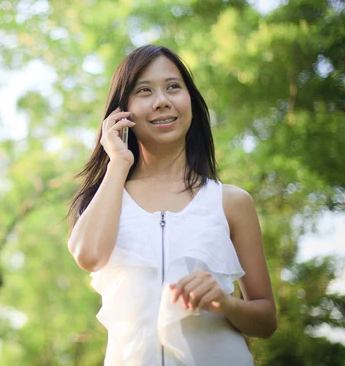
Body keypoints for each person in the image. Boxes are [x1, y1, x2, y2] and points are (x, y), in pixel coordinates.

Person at [66, 45, 277, 365]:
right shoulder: (105, 200)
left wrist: (226, 303)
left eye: (173, 87)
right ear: (122, 112)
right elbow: (88, 255)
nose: (162, 100)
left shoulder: (231, 202)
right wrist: (118, 164)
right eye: (144, 90)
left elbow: (266, 320)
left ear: (190, 102)